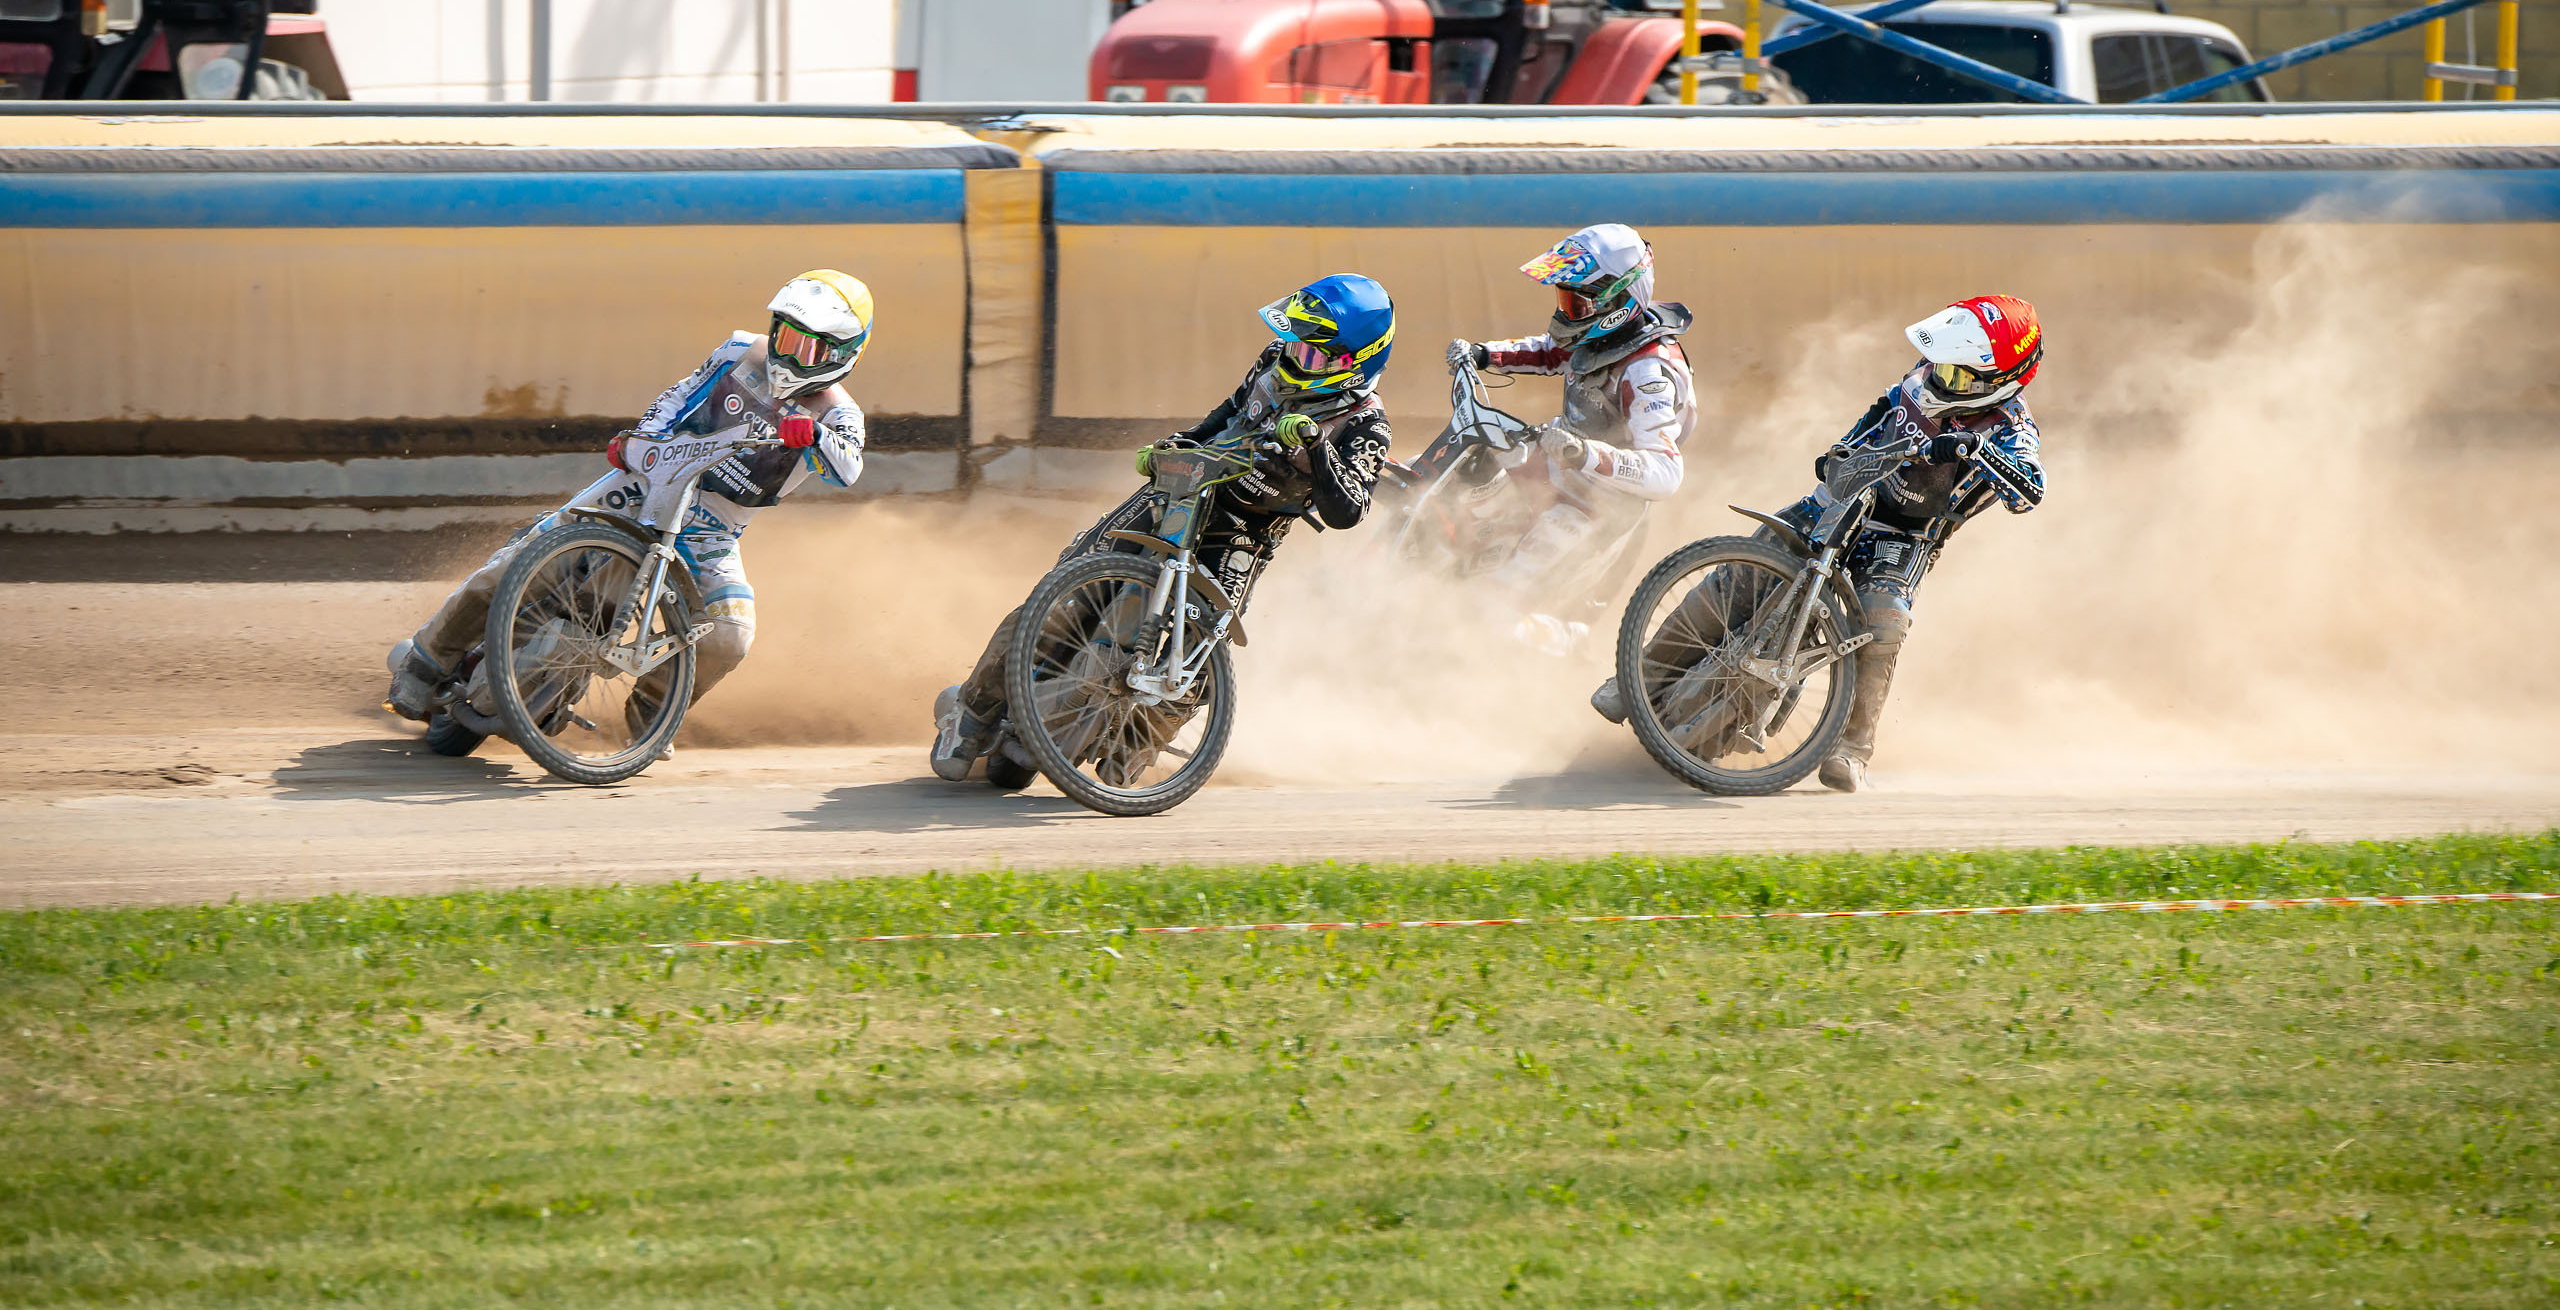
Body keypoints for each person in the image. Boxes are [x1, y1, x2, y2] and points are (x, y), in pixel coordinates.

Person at [932, 273, 1396, 784]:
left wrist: (1315, 445)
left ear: (1353, 362)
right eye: (1291, 339)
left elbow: (1348, 512)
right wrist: (1174, 444)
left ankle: (1135, 744)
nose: (1290, 355)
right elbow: (1224, 416)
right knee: (1065, 599)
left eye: (1308, 352)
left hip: (1241, 535)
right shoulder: (1273, 360)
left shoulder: (1367, 424)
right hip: (1183, 492)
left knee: (1197, 657)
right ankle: (972, 713)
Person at [384, 272, 875, 728]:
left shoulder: (839, 414)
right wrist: (642, 441)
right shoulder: (739, 351)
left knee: (730, 636)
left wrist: (813, 436)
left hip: (712, 531)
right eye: (785, 336)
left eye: (807, 348)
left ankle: (651, 718)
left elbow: (847, 468)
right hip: (646, 487)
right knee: (520, 560)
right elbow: (677, 396)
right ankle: (426, 661)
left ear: (842, 353)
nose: (788, 355)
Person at [1597, 293, 2045, 793]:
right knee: (1742, 573)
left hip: (1903, 537)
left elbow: (2031, 490)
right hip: (1842, 498)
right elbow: (1869, 422)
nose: (1943, 378)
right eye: (1942, 364)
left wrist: (1977, 449)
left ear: (2000, 383)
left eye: (1960, 376)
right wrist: (1840, 454)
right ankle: (1638, 679)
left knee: (1884, 619)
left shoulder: (2012, 429)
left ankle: (1852, 749)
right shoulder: (1920, 379)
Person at [1444, 223, 1695, 654]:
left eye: (1575, 303)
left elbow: (1666, 474)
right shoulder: (1606, 338)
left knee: (1490, 606)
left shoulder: (1648, 373)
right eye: (1563, 299)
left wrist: (1585, 453)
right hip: (1555, 472)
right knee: (1455, 511)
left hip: (1597, 508)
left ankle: (1569, 650)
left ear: (1617, 298)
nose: (1564, 313)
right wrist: (1485, 354)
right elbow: (1552, 352)